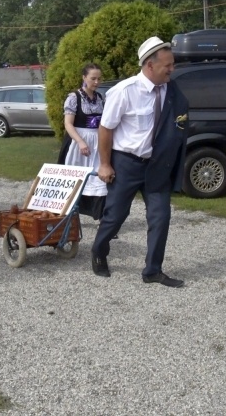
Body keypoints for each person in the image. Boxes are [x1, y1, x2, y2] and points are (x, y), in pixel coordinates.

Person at [90, 37, 189, 288]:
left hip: (157, 165)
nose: (172, 69)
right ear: (150, 65)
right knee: (115, 216)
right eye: (168, 65)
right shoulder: (124, 91)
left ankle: (152, 270)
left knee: (160, 217)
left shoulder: (171, 90)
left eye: (172, 64)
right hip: (126, 163)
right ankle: (99, 251)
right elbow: (105, 129)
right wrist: (105, 164)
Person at [60, 63, 108, 219]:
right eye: (93, 78)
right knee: (74, 178)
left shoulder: (100, 98)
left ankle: (100, 216)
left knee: (98, 177)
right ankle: (68, 215)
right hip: (77, 141)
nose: (96, 82)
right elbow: (68, 124)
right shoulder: (74, 98)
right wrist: (80, 142)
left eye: (99, 79)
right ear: (84, 77)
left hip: (97, 142)